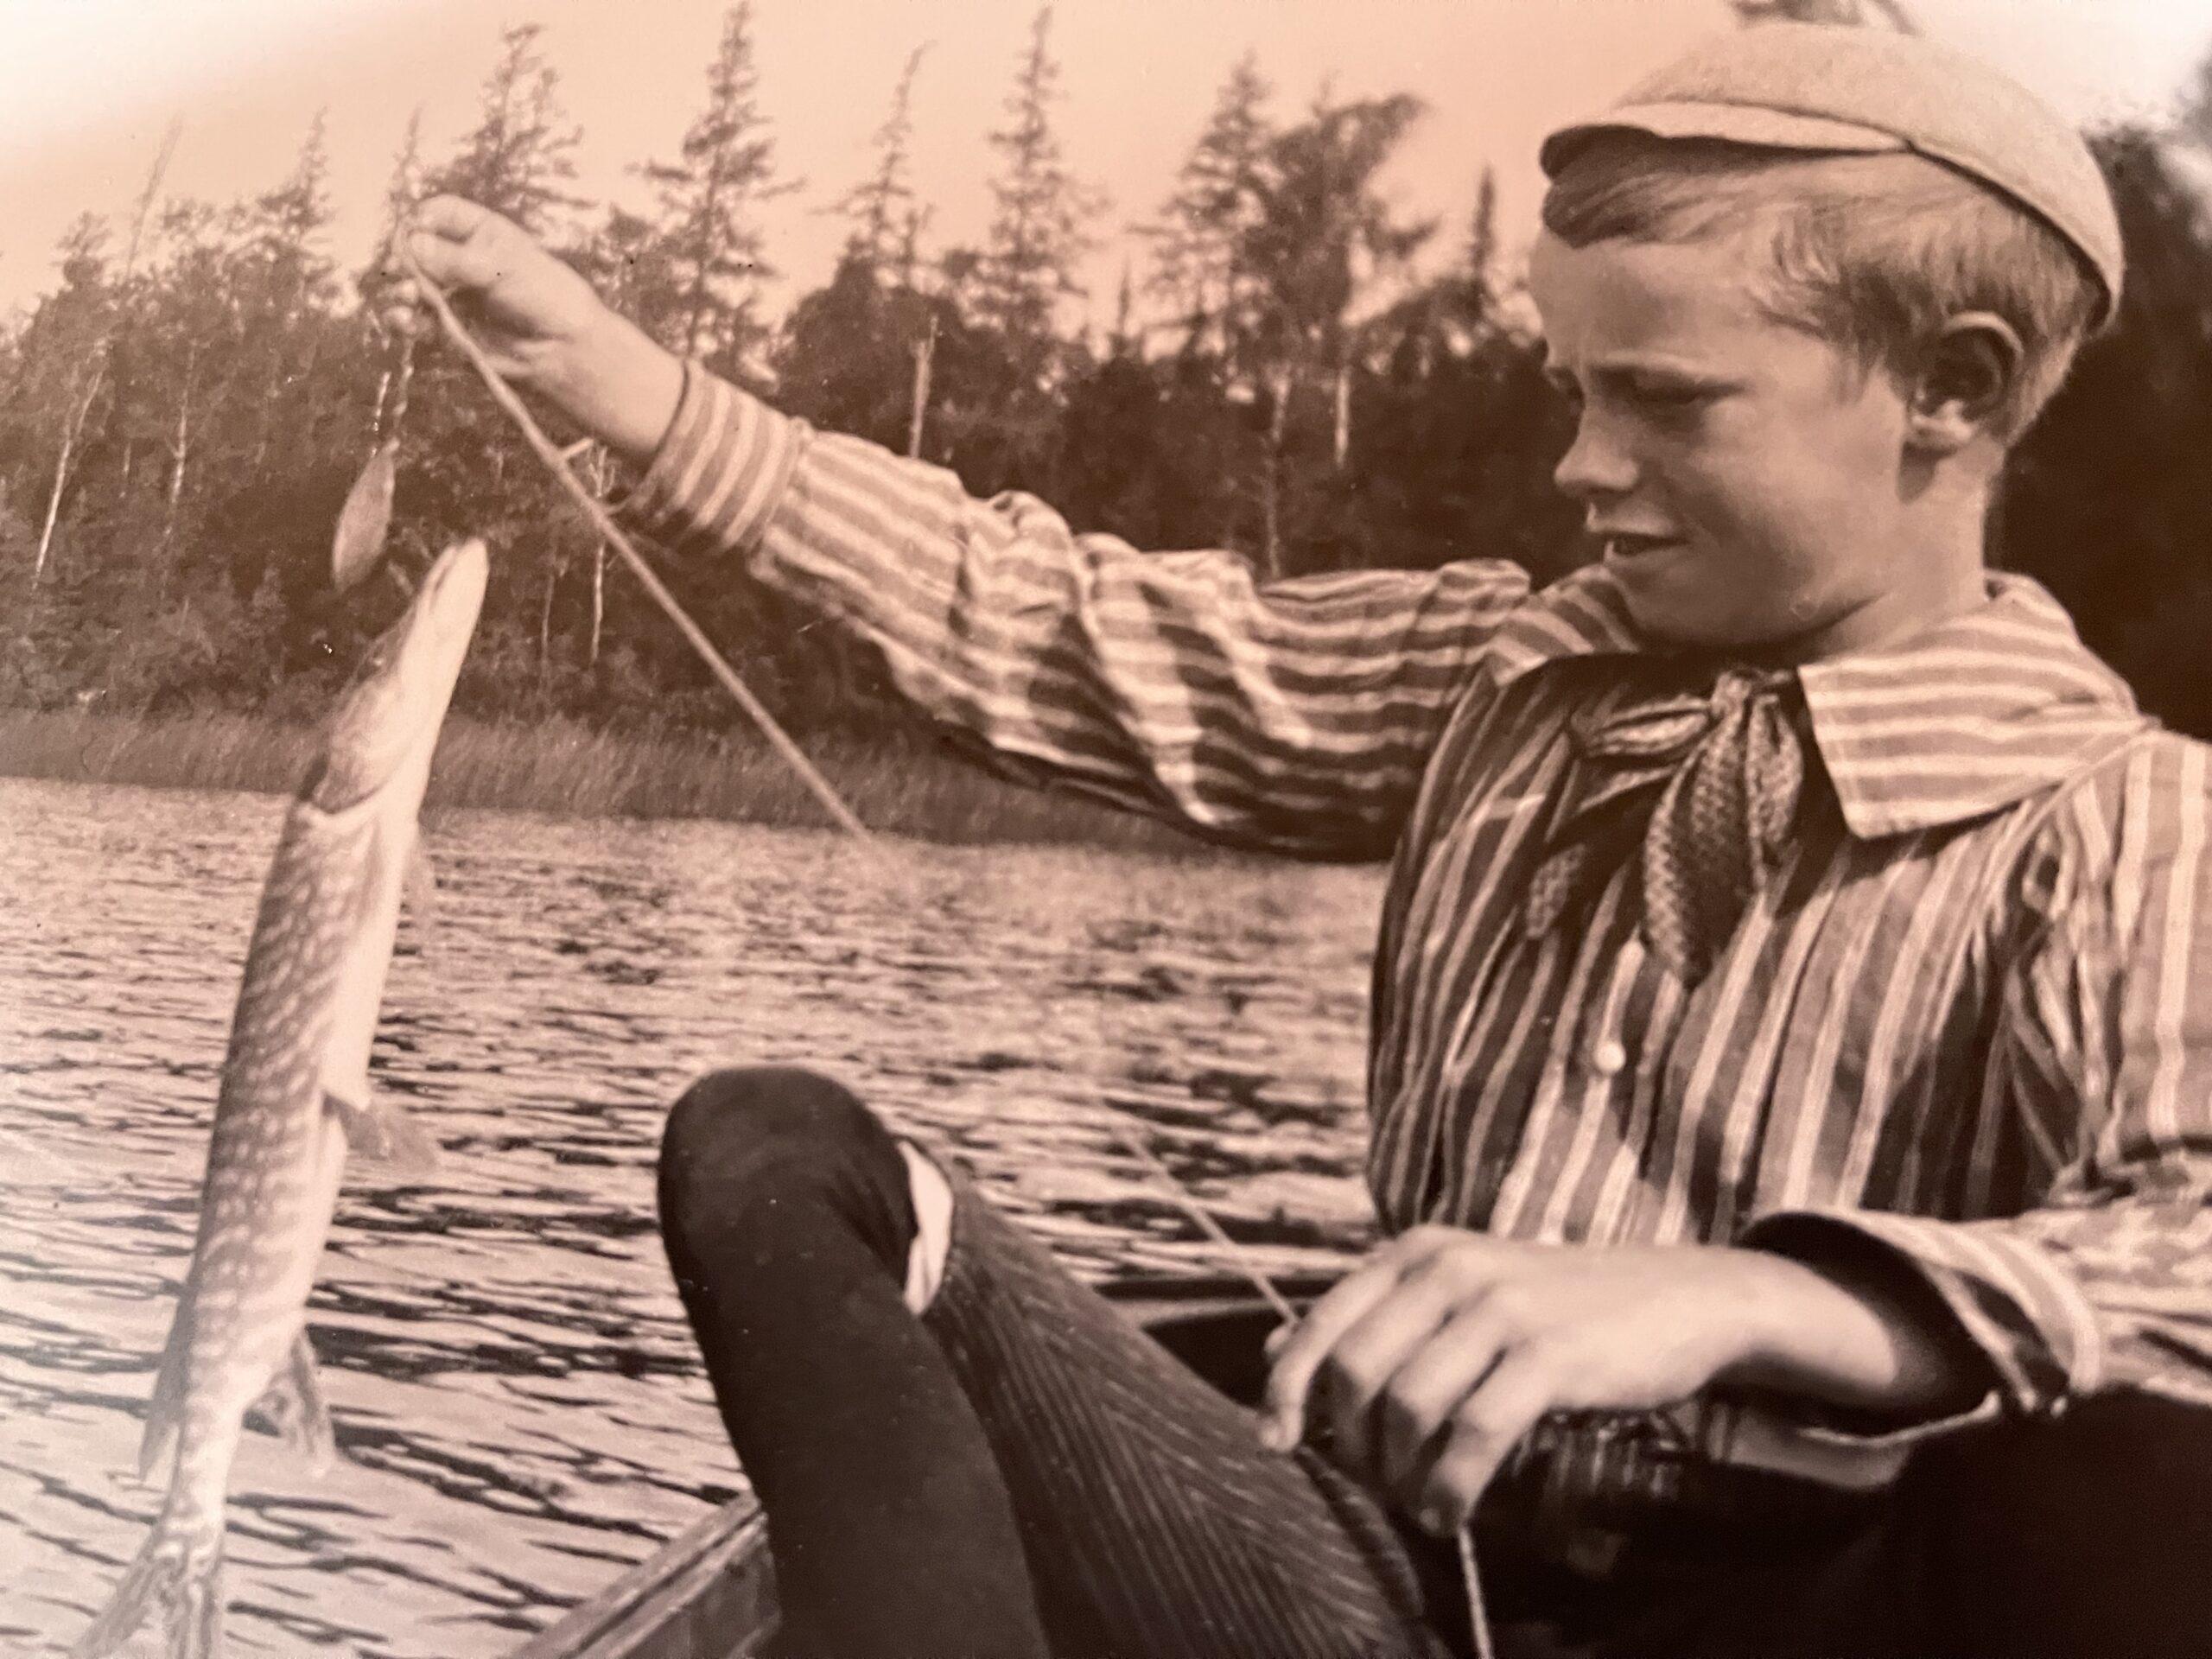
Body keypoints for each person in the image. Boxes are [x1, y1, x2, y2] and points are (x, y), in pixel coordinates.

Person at [391, 22, 2212, 1659]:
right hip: (1368, 1585)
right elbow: (1058, 627)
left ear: (1953, 393)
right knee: (772, 1152)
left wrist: (1742, 1300)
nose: (1582, 465)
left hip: (1811, 1615)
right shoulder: (1496, 675)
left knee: (2142, 1479)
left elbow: (2187, 1259)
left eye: (1662, 400)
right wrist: (629, 387)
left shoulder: (2115, 821)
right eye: (1571, 389)